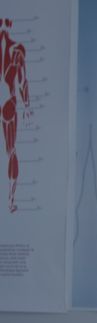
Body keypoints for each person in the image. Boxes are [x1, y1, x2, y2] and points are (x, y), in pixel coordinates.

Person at [1, 17, 31, 213]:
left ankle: (10, 201)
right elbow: (21, 82)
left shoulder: (16, 51)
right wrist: (27, 104)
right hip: (7, 104)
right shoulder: (16, 50)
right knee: (11, 151)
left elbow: (21, 80)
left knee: (11, 152)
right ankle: (10, 201)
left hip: (7, 105)